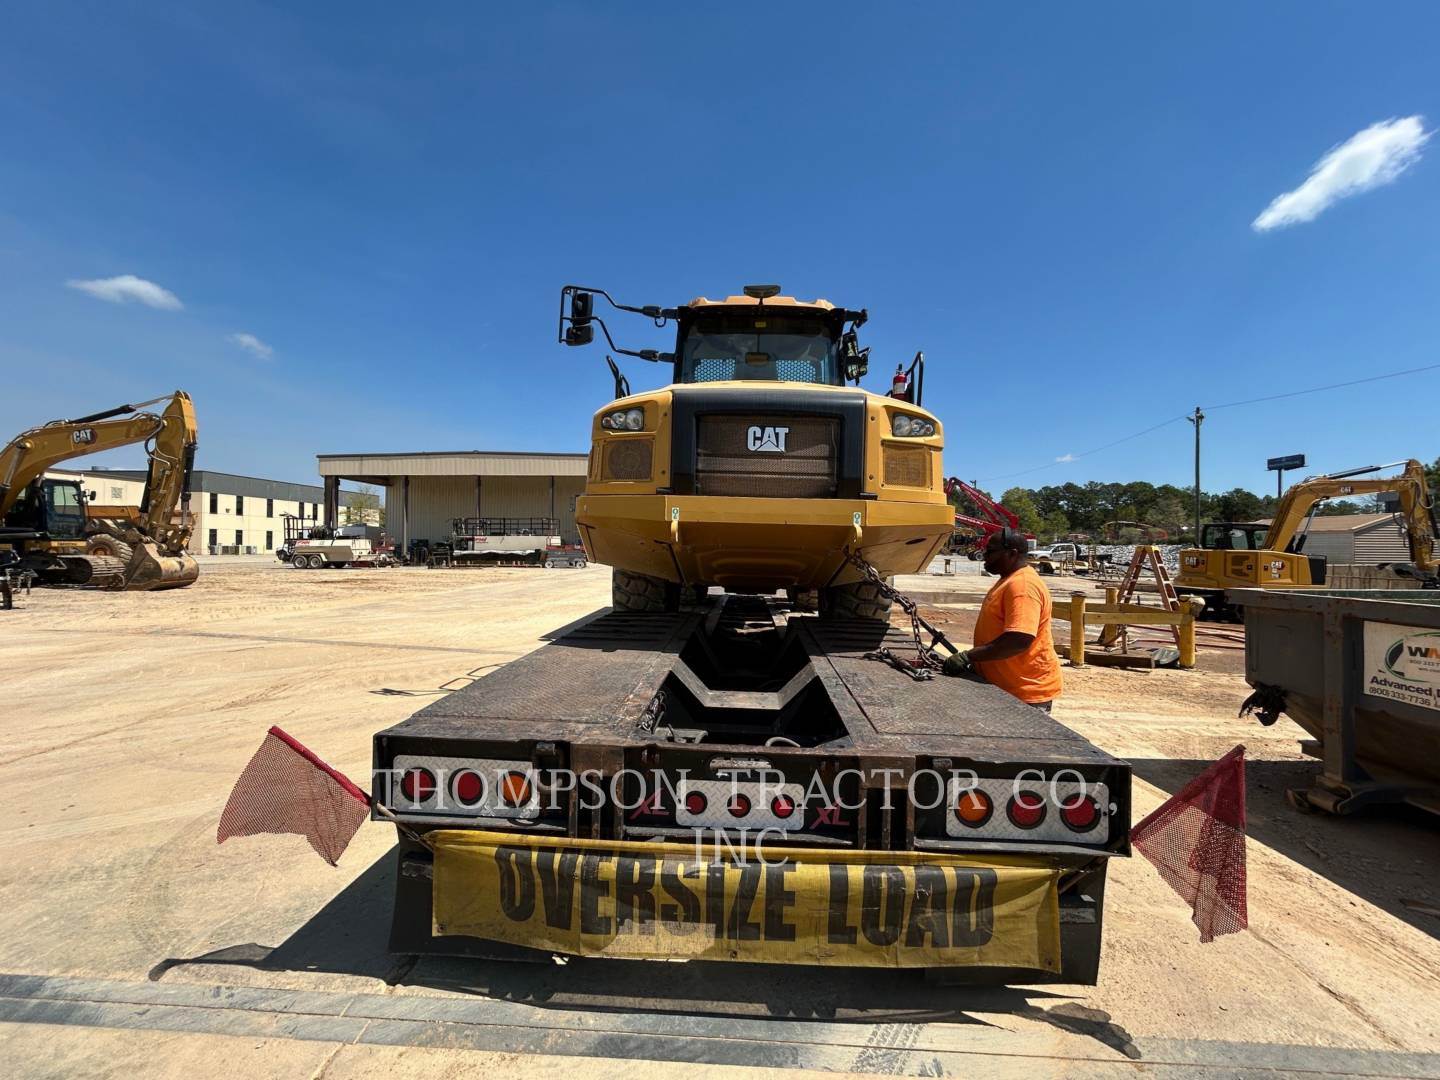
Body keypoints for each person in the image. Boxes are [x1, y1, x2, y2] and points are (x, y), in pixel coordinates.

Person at [943, 528, 1062, 711]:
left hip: (1024, 692)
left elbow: (1018, 640)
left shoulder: (1022, 586)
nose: (984, 555)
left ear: (1011, 554)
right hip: (1005, 688)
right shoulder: (1009, 580)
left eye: (990, 551)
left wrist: (968, 656)